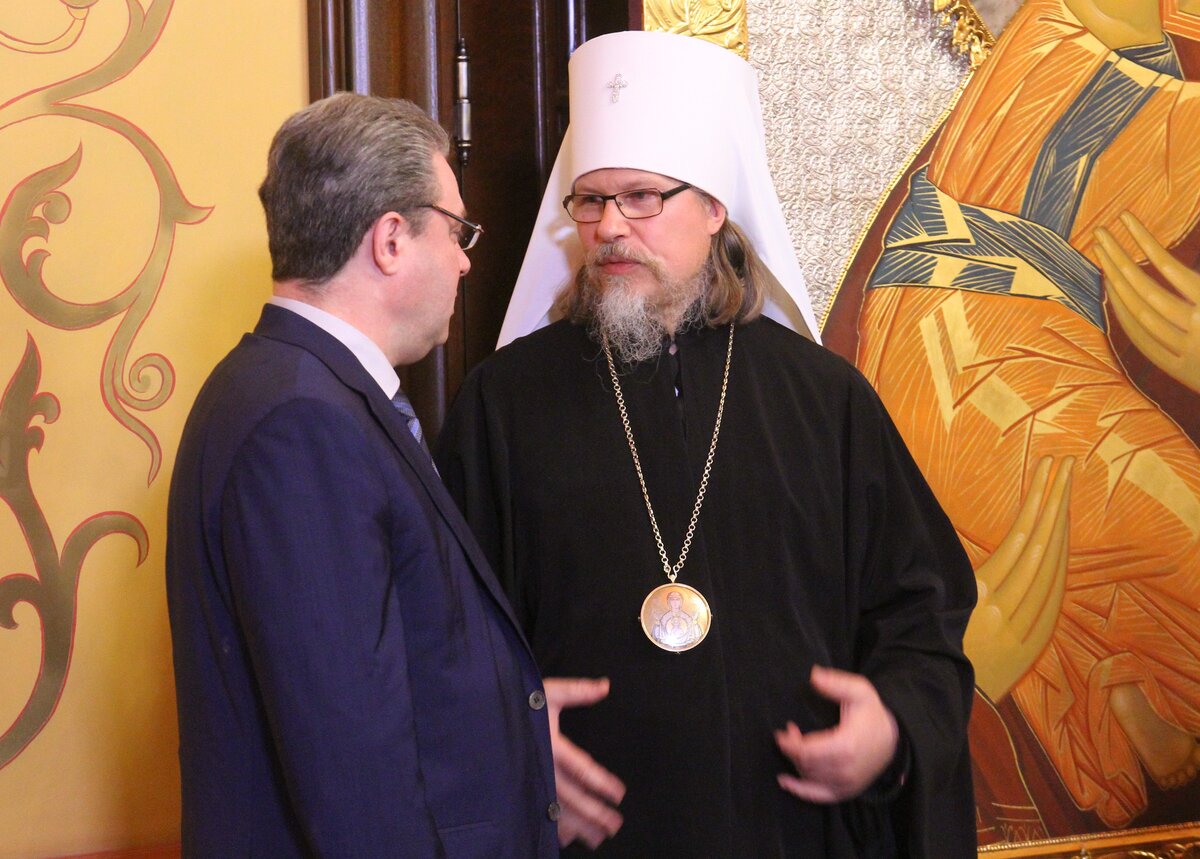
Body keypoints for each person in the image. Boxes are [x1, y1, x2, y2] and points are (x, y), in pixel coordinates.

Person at [436, 31, 977, 857]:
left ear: (716, 207)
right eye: (591, 201)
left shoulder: (825, 400)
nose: (610, 227)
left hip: (789, 831)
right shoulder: (503, 403)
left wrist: (894, 725)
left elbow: (920, 610)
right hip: (587, 837)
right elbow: (442, 631)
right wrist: (507, 740)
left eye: (642, 198)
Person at [165, 93, 558, 857]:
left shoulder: (295, 388)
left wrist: (511, 720)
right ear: (390, 240)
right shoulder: (302, 422)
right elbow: (351, 771)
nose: (465, 259)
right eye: (457, 231)